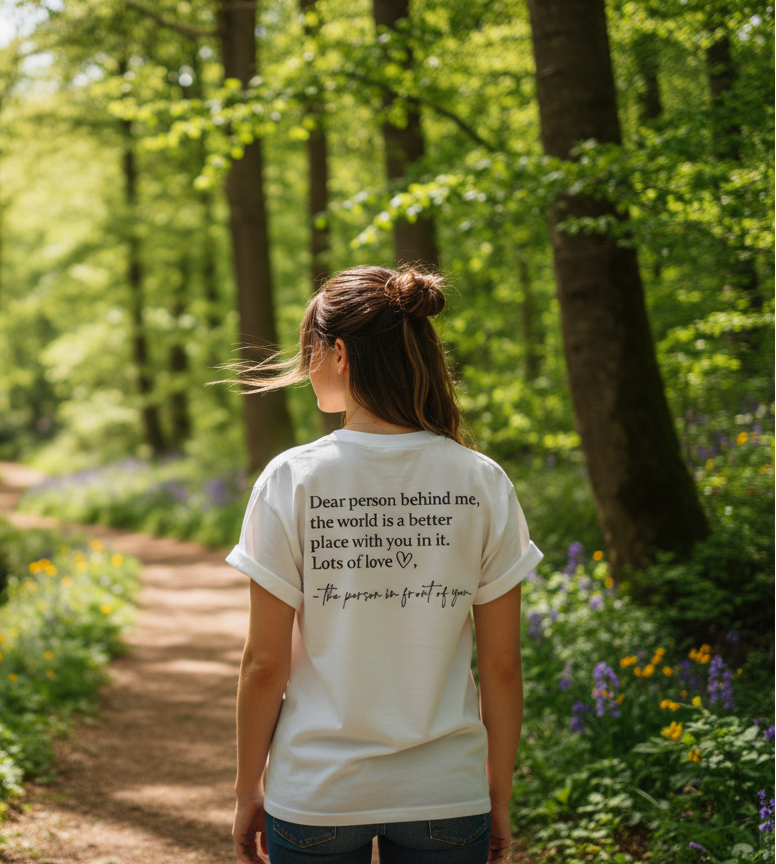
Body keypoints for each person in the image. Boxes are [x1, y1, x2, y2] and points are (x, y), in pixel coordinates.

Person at [226, 266, 542, 864]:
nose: (305, 368)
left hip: (316, 793)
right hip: (447, 795)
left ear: (339, 353)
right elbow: (501, 665)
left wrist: (248, 791)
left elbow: (264, 665)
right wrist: (495, 795)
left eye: (309, 352)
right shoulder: (482, 481)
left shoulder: (291, 479)